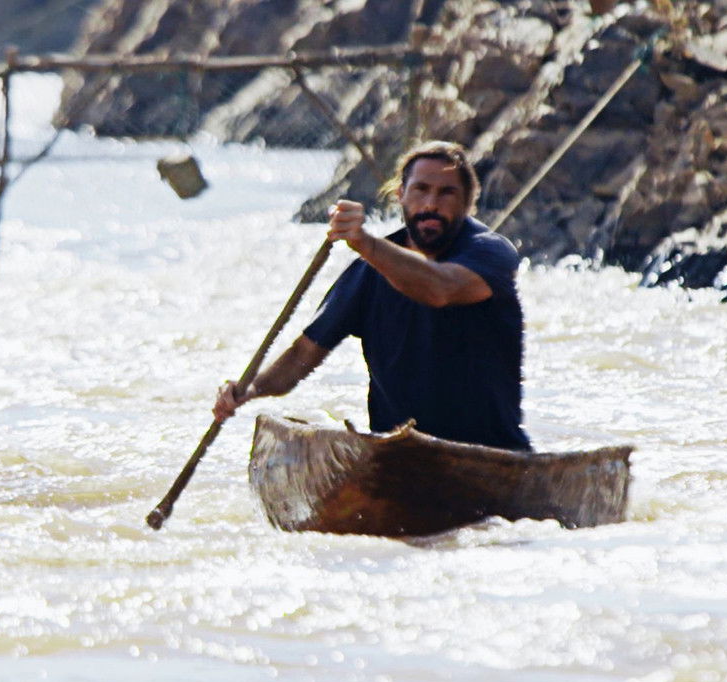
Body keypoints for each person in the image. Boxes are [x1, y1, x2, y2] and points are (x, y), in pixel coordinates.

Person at [213, 140, 531, 451]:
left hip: (493, 452)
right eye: (421, 190)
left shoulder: (490, 253)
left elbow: (440, 289)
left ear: (468, 203)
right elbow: (301, 356)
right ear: (400, 196)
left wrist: (365, 242)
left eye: (447, 193)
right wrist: (249, 390)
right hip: (398, 455)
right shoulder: (366, 274)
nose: (432, 205)